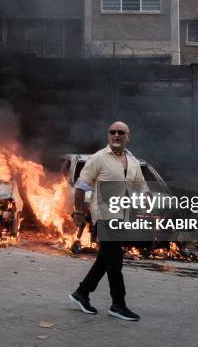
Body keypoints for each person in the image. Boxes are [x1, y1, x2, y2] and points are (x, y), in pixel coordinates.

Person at [69, 121, 145, 321]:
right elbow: (81, 186)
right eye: (113, 132)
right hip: (103, 216)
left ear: (129, 136)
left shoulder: (133, 162)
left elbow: (141, 188)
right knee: (115, 261)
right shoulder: (98, 158)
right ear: (108, 136)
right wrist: (78, 211)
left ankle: (82, 293)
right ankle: (118, 304)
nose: (116, 135)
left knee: (105, 259)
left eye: (121, 132)